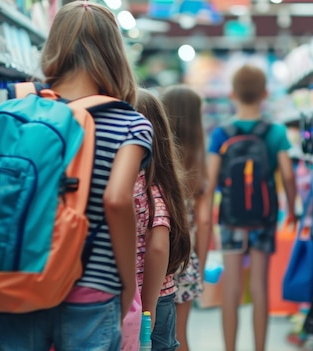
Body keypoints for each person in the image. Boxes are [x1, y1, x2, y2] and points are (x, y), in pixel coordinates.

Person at [0, 3, 152, 351]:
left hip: (16, 277)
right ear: (114, 53)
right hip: (91, 285)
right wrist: (125, 283)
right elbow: (117, 200)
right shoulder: (129, 123)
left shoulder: (15, 107)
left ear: (54, 46)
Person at [206, 65, 298, 351]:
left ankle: (230, 348)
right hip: (264, 218)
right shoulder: (275, 132)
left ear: (232, 94)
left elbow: (211, 181)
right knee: (259, 287)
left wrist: (208, 217)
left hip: (231, 218)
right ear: (265, 94)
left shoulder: (222, 133)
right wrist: (292, 209)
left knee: (231, 288)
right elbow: (288, 174)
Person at [125, 89, 191, 351]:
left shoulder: (142, 186)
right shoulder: (158, 183)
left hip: (148, 301)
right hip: (155, 298)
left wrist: (147, 308)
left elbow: (159, 245)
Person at [161, 85, 212, 351]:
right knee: (180, 336)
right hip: (185, 257)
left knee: (151, 333)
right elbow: (203, 222)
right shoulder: (201, 167)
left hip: (154, 255)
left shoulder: (157, 160)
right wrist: (199, 266)